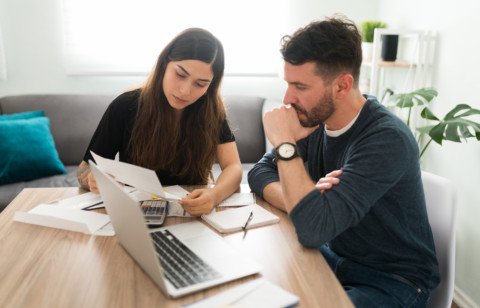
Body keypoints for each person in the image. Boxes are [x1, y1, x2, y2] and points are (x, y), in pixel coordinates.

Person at [247, 16, 440, 307]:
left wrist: (286, 145)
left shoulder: (386, 138)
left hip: (393, 280)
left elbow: (312, 229)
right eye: (287, 84)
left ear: (342, 85)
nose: (287, 98)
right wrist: (309, 201)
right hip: (335, 256)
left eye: (300, 86)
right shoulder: (315, 120)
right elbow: (260, 172)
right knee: (254, 284)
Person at [77, 28, 242, 216]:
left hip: (190, 214)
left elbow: (233, 167)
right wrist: (91, 179)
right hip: (135, 213)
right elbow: (85, 168)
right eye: (180, 75)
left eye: (200, 84)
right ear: (164, 64)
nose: (185, 91)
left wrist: (214, 195)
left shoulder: (212, 111)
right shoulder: (125, 106)